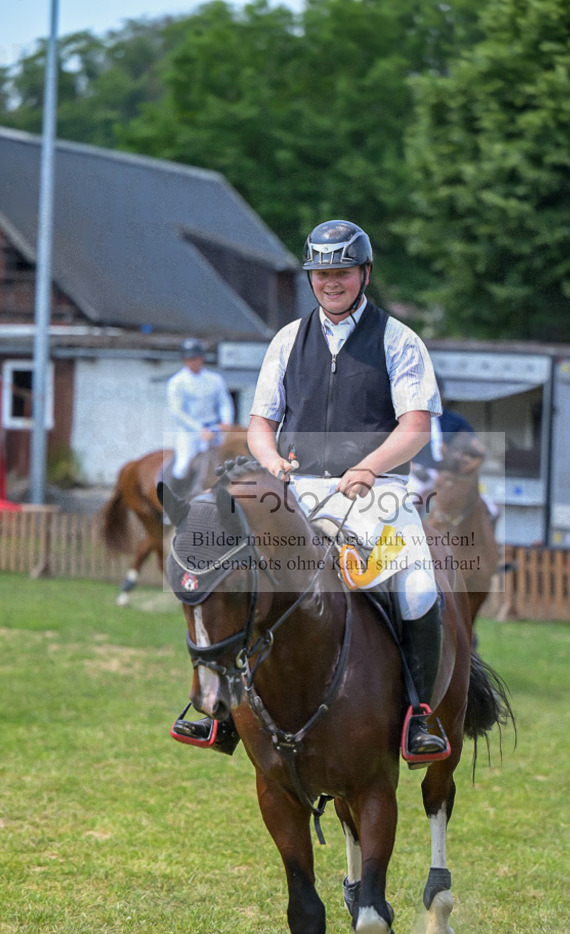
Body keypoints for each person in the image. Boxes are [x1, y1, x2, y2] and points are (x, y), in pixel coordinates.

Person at [247, 219, 447, 758]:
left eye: (341, 271)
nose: (330, 282)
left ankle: (420, 716)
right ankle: (218, 708)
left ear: (364, 273)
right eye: (320, 273)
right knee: (237, 579)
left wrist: (370, 466)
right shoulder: (287, 340)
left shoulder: (400, 340)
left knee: (419, 590)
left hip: (378, 495)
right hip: (301, 492)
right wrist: (270, 460)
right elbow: (261, 424)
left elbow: (415, 427)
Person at [166, 338, 235, 496]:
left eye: (196, 358)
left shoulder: (215, 380)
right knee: (182, 467)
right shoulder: (177, 382)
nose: (193, 362)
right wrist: (200, 430)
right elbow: (177, 412)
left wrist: (226, 421)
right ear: (185, 360)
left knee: (230, 461)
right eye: (190, 359)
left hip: (215, 428)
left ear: (202, 358)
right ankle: (174, 502)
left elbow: (224, 401)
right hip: (190, 432)